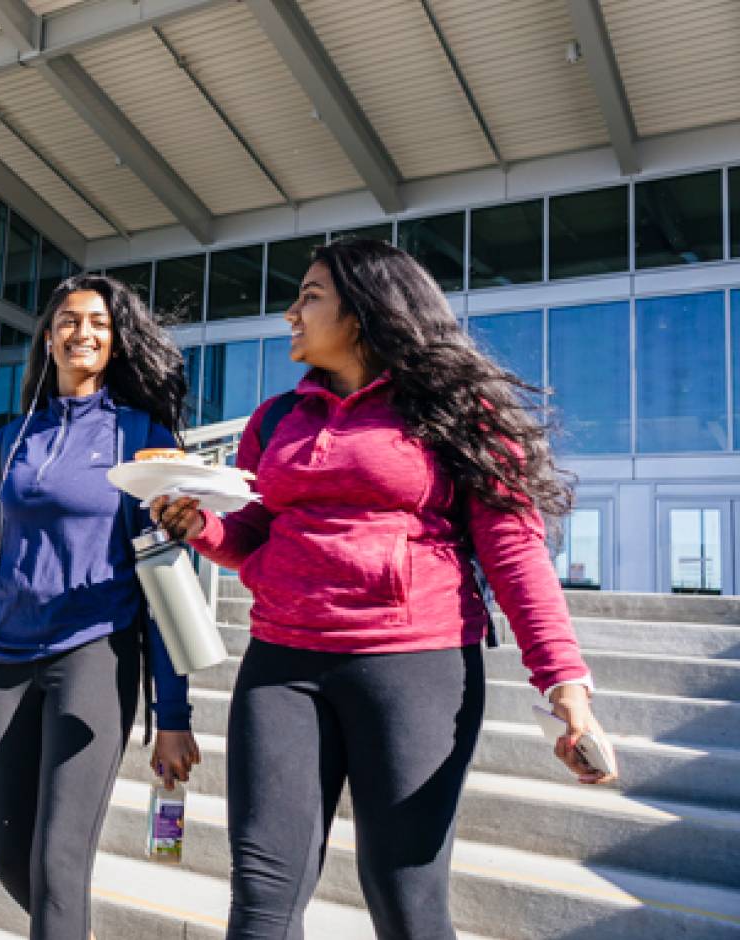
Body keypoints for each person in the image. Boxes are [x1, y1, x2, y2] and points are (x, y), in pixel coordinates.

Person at [151, 239, 615, 940]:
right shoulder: (275, 421)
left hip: (415, 668)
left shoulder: (455, 410)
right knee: (262, 898)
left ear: (364, 312)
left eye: (309, 297)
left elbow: (514, 550)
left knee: (405, 899)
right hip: (282, 664)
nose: (290, 315)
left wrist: (566, 687)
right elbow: (252, 539)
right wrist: (200, 529)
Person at [0, 274, 199, 940]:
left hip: (96, 648)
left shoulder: (142, 435)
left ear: (117, 340)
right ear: (48, 335)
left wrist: (172, 714)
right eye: (67, 319)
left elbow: (164, 577)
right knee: (8, 853)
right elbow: (2, 553)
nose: (81, 332)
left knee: (60, 861)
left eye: (97, 321)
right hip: (6, 653)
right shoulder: (13, 439)